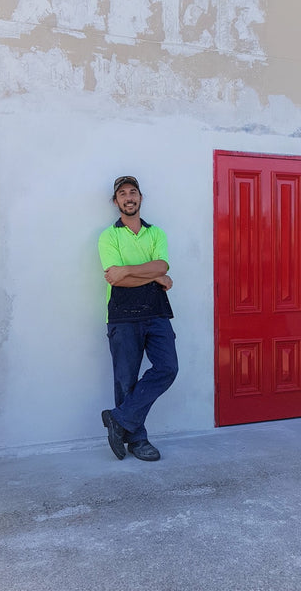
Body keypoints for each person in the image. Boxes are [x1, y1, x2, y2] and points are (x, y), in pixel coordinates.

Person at [98, 175, 178, 461]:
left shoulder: (156, 233)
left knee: (168, 367)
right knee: (125, 380)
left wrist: (130, 270)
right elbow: (116, 279)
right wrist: (155, 276)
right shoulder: (109, 236)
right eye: (122, 193)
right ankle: (138, 441)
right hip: (122, 315)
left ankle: (118, 419)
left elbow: (163, 264)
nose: (128, 197)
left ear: (140, 198)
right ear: (116, 201)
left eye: (133, 192)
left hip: (156, 312)